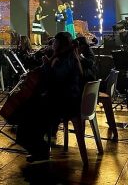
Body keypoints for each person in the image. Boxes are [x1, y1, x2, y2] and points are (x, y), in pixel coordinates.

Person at [16, 32, 83, 162]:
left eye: (54, 42)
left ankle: (40, 149)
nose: (52, 44)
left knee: (28, 115)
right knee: (30, 111)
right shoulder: (68, 56)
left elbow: (55, 80)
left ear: (59, 44)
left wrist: (47, 65)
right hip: (65, 99)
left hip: (64, 103)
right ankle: (40, 147)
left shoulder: (65, 59)